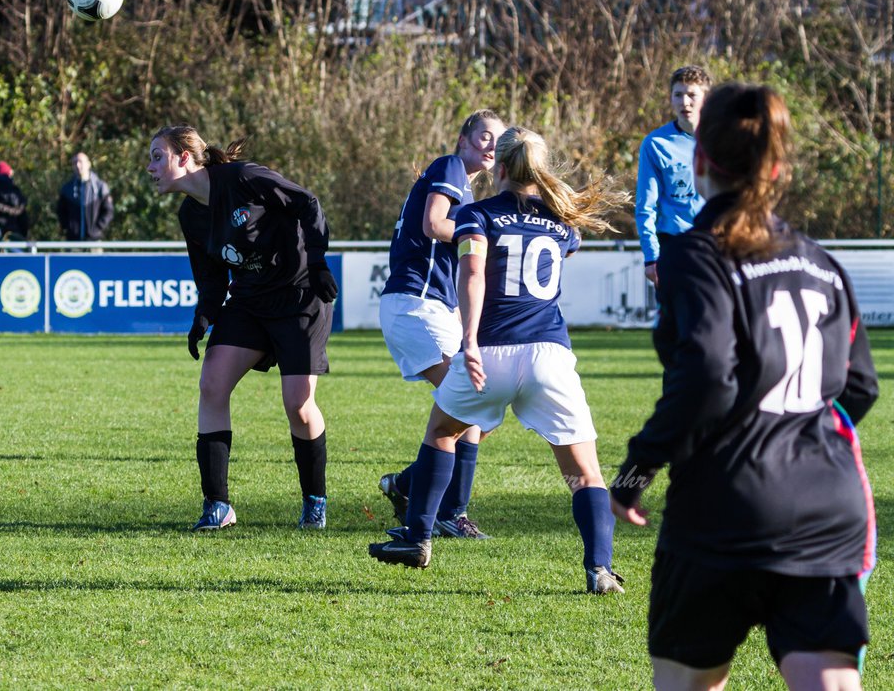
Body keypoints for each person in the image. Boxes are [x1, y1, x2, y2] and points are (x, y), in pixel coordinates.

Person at [610, 84, 879, 691]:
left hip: (723, 509)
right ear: (778, 169)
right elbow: (859, 386)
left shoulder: (695, 255)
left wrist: (632, 475)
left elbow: (706, 374)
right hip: (826, 510)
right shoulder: (821, 262)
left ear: (699, 161)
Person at [368, 126, 630, 596]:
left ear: (502, 168)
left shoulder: (476, 214)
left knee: (442, 432)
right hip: (550, 357)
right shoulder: (563, 223)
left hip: (491, 354)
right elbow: (570, 243)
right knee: (583, 473)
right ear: (541, 171)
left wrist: (467, 339)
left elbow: (471, 273)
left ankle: (417, 537)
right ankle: (600, 570)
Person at [146, 126, 337, 531]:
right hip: (249, 302)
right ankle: (218, 505)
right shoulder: (190, 214)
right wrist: (204, 314)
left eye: (157, 156)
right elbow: (212, 276)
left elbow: (308, 202)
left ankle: (314, 502)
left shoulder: (243, 178)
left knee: (299, 406)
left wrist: (318, 261)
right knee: (212, 383)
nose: (151, 167)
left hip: (300, 296)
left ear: (185, 157)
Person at [376, 109, 508, 541]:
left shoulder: (464, 189)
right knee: (472, 402)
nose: (490, 145)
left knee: (480, 409)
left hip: (428, 305)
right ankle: (452, 512)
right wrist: (482, 235)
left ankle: (409, 484)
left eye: (497, 140)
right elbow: (433, 224)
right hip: (415, 303)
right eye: (484, 136)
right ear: (464, 139)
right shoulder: (450, 166)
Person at [637, 65, 712, 286]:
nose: (684, 102)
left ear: (706, 98)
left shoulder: (722, 139)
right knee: (676, 318)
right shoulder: (656, 144)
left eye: (691, 95)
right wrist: (652, 257)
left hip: (715, 245)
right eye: (678, 95)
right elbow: (645, 206)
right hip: (674, 245)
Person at [57, 151, 114, 241]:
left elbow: (108, 212)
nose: (78, 165)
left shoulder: (100, 187)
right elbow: (61, 212)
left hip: (94, 241)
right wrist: (69, 228)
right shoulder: (67, 188)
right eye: (75, 163)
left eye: (80, 162)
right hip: (73, 241)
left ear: (88, 164)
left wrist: (96, 229)